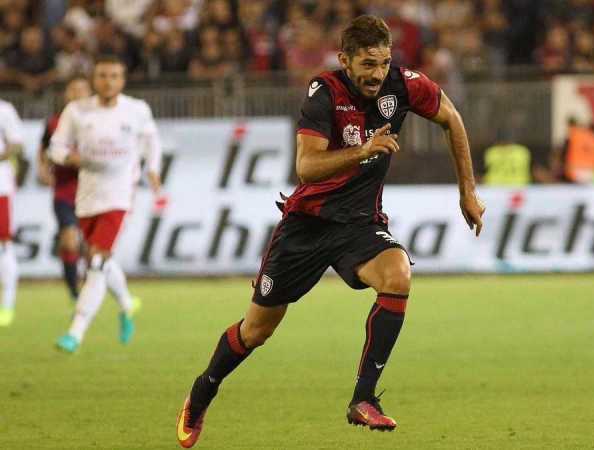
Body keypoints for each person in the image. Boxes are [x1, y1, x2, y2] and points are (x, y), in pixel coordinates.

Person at [176, 15, 485, 448]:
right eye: (368, 64)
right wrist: (364, 150)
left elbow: (451, 118)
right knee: (256, 331)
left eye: (383, 63)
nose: (377, 74)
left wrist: (467, 191)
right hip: (308, 225)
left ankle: (363, 399)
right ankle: (203, 389)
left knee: (398, 274)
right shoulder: (324, 92)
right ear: (345, 59)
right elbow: (307, 166)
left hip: (359, 223)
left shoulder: (404, 85)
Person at [49, 55, 162, 353]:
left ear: (122, 80)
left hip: (120, 194)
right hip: (87, 195)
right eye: (102, 75)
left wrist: (153, 168)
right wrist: (69, 157)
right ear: (94, 79)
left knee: (97, 263)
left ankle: (75, 333)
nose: (108, 81)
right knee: (98, 259)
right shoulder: (77, 111)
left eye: (114, 76)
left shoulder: (136, 109)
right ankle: (126, 305)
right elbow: (55, 147)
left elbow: (152, 141)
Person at [38, 75, 92, 302]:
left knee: (90, 246)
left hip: (93, 192)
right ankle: (74, 290)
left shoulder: (99, 121)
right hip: (65, 191)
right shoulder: (54, 123)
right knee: (69, 239)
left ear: (90, 93)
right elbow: (44, 149)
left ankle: (92, 288)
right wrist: (43, 170)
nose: (78, 94)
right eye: (73, 89)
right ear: (66, 94)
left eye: (82, 89)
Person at [0, 99, 23, 327]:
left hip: (0, 188)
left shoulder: (4, 109)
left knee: (4, 243)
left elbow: (16, 144)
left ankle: (7, 304)